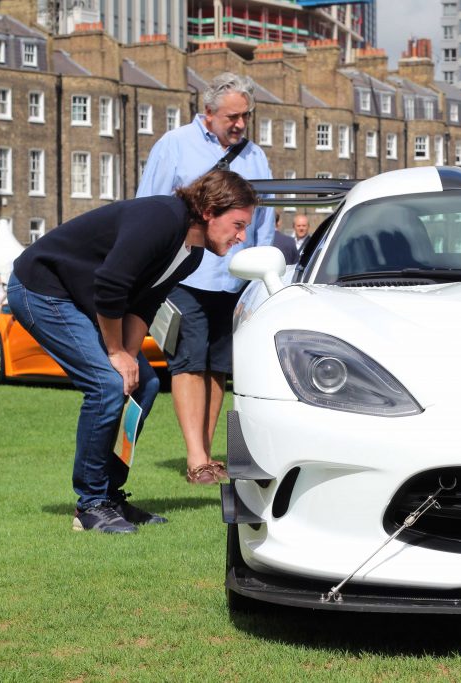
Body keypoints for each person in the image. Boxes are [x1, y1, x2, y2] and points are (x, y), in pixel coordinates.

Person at [8, 169, 257, 533]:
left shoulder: (191, 255)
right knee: (107, 386)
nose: (242, 236)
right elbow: (110, 284)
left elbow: (145, 304)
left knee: (145, 384)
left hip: (79, 300)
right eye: (238, 224)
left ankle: (110, 496)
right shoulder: (162, 219)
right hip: (41, 289)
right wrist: (116, 352)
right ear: (210, 211)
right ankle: (91, 506)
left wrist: (128, 354)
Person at [137, 72, 275, 487]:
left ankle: (207, 453)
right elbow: (150, 207)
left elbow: (264, 220)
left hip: (234, 282)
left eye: (245, 117)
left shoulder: (256, 157)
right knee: (188, 362)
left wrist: (261, 272)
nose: (239, 125)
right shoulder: (174, 146)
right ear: (208, 113)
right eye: (232, 116)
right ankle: (195, 458)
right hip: (185, 275)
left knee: (217, 367)